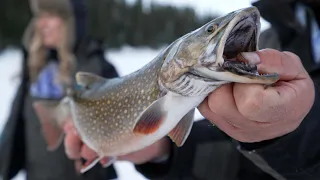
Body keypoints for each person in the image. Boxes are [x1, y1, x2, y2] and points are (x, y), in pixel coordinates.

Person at [63, 0, 320, 180]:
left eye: (211, 31)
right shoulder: (276, 38)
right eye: (210, 30)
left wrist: (295, 131)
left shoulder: (276, 46)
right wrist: (164, 151)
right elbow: (240, 162)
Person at [0, 0, 120, 179]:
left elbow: (118, 129)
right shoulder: (35, 65)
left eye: (51, 16)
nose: (42, 23)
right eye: (40, 16)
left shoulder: (97, 68)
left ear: (70, 21)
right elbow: (16, 123)